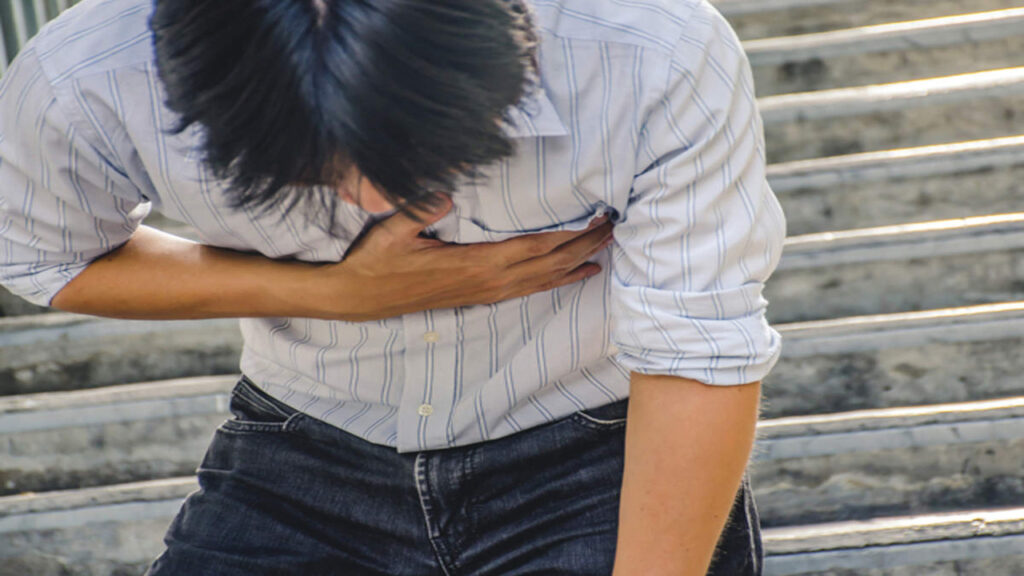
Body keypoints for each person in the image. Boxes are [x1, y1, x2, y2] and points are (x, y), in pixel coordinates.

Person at [0, 0, 787, 574]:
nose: (374, 205)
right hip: (300, 454)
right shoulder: (91, 77)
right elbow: (44, 257)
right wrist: (332, 292)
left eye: (429, 161)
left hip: (598, 455)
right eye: (311, 176)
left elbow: (697, 349)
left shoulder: (647, 51)